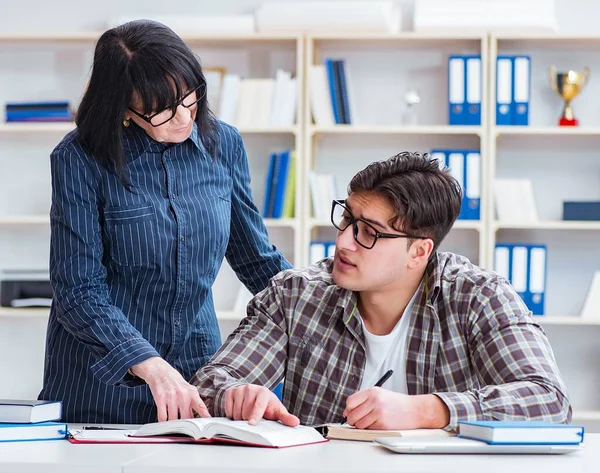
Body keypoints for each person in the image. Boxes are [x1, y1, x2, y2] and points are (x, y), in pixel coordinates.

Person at [191, 152, 571, 431]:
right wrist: (234, 396)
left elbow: (549, 400)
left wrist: (428, 410)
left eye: (369, 233)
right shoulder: (295, 294)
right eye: (347, 219)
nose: (343, 242)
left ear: (419, 251)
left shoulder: (478, 297)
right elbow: (209, 382)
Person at [39, 19, 291, 424]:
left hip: (197, 376)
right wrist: (148, 364)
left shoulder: (223, 144)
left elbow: (257, 259)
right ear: (123, 108)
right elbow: (78, 290)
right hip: (102, 385)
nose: (183, 117)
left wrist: (320, 307)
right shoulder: (78, 159)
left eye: (190, 98)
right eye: (162, 111)